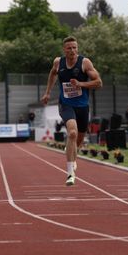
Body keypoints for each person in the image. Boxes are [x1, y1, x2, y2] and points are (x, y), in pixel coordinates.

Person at [41, 36, 102, 186]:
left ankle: (73, 156)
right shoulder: (58, 62)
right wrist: (48, 92)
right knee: (72, 133)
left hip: (82, 106)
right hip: (66, 104)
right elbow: (52, 73)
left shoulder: (85, 62)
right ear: (64, 50)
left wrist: (80, 83)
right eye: (69, 48)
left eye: (74, 47)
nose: (72, 50)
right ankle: (70, 173)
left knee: (78, 139)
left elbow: (99, 83)